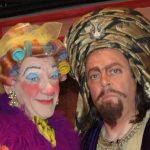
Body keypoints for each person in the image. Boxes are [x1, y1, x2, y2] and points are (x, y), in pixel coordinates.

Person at [65, 8, 150, 150]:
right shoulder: (80, 143)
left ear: (135, 75)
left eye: (114, 71)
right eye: (94, 75)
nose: (104, 81)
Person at [0, 22, 79, 150]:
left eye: (53, 76)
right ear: (10, 87)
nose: (49, 89)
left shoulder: (63, 135)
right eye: (34, 78)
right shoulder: (5, 140)